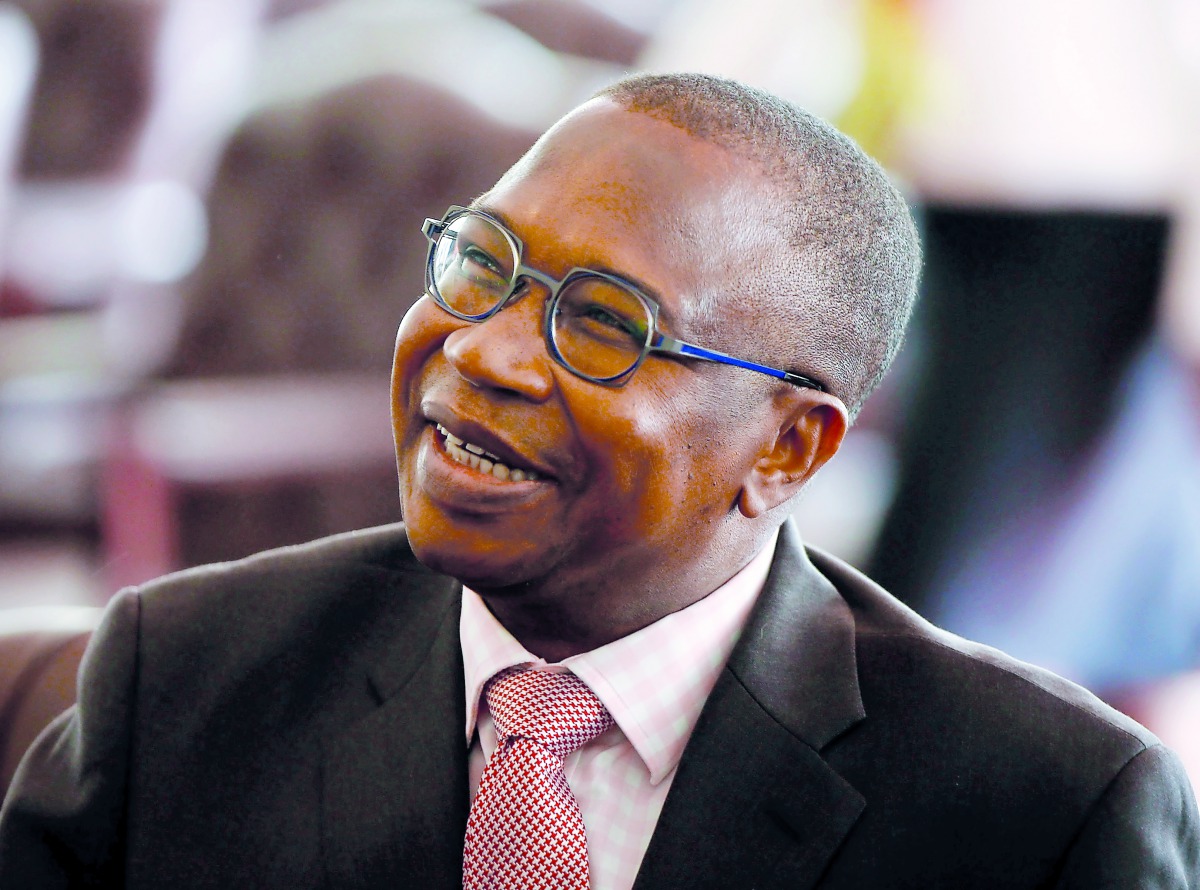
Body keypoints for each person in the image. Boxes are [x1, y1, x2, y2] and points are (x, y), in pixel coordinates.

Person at [1, 72, 1196, 888]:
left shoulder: (1043, 810)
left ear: (787, 448)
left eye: (602, 324)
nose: (482, 350)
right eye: (482, 262)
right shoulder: (184, 676)